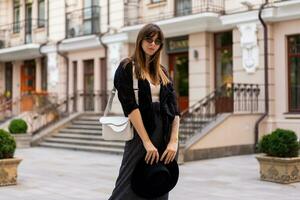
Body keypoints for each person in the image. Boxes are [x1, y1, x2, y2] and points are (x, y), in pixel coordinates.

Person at [108, 23, 180, 200]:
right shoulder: (127, 67)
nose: (152, 44)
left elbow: (174, 109)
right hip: (140, 135)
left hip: (164, 136)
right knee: (128, 185)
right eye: (149, 39)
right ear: (140, 40)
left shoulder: (162, 72)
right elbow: (130, 107)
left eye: (157, 41)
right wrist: (147, 142)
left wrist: (174, 141)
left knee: (159, 183)